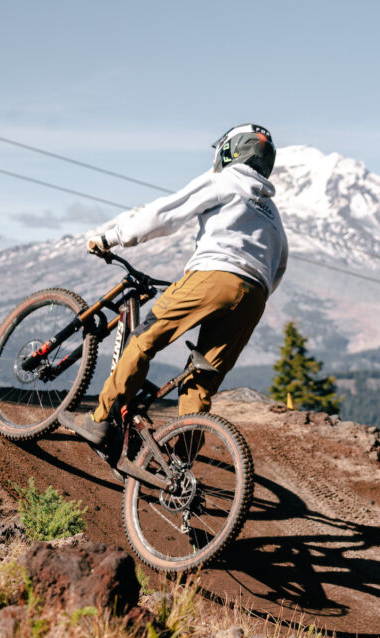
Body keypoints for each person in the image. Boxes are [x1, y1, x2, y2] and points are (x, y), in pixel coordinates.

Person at [62, 123, 289, 447]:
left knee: (143, 340)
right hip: (255, 296)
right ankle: (182, 475)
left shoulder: (224, 182)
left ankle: (99, 420)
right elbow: (279, 265)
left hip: (213, 276)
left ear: (230, 150)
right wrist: (251, 289)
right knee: (200, 383)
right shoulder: (271, 211)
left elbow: (166, 214)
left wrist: (112, 238)